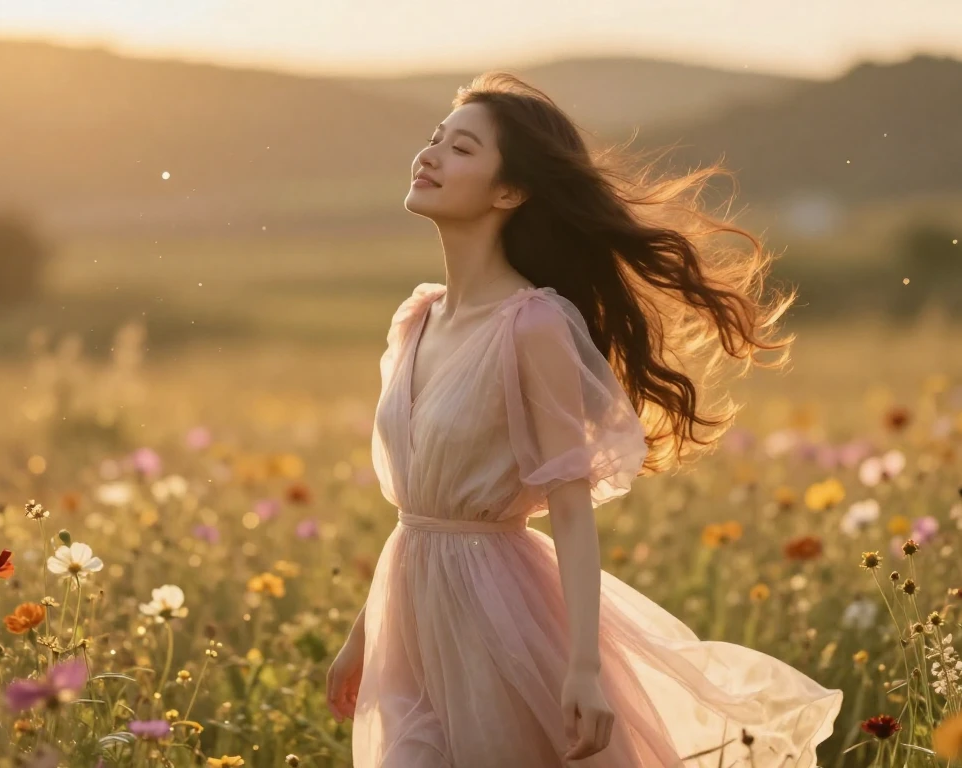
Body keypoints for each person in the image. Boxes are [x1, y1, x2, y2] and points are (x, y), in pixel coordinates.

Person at [325, 71, 842, 768]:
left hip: (495, 617)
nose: (431, 155)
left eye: (461, 149)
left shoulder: (532, 323)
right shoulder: (418, 318)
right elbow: (418, 511)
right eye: (434, 140)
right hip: (410, 618)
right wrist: (365, 635)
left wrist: (583, 670)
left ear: (509, 192)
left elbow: (570, 509)